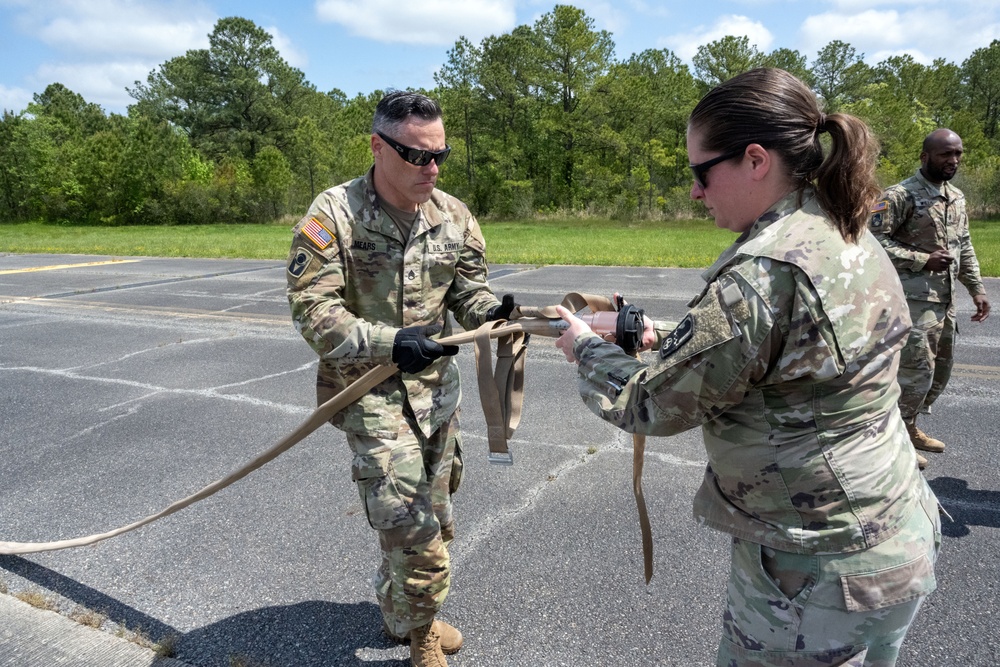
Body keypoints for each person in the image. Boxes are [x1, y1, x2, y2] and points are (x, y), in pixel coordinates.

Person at [554, 68, 940, 666]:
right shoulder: (842, 228)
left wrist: (582, 345)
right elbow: (791, 364)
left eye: (700, 172)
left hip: (814, 572)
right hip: (893, 532)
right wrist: (675, 344)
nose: (694, 193)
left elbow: (648, 404)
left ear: (755, 160)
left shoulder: (764, 274)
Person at [286, 90, 515, 667]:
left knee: (435, 516)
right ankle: (422, 636)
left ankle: (400, 608)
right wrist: (391, 342)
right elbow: (313, 309)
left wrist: (492, 314)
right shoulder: (333, 214)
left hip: (437, 395)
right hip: (368, 392)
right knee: (411, 527)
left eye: (440, 155)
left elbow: (466, 290)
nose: (430, 169)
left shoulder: (454, 215)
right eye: (416, 155)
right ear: (377, 146)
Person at [869, 129, 990, 469]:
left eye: (957, 154)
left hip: (945, 301)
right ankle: (893, 443)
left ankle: (909, 427)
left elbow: (963, 246)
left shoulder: (957, 197)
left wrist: (977, 289)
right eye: (945, 154)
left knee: (940, 371)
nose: (953, 161)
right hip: (912, 303)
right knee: (913, 374)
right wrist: (922, 260)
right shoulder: (898, 196)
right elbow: (871, 242)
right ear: (925, 157)